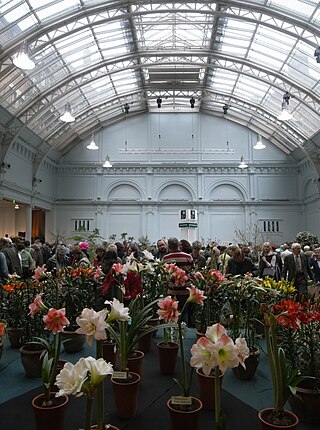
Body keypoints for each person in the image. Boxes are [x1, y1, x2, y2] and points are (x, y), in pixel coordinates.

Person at [163, 237, 194, 325]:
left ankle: (172, 331)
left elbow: (164, 273)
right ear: (178, 245)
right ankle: (184, 333)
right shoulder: (188, 256)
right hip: (186, 289)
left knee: (172, 312)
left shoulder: (166, 258)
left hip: (172, 290)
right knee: (184, 312)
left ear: (169, 246)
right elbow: (192, 269)